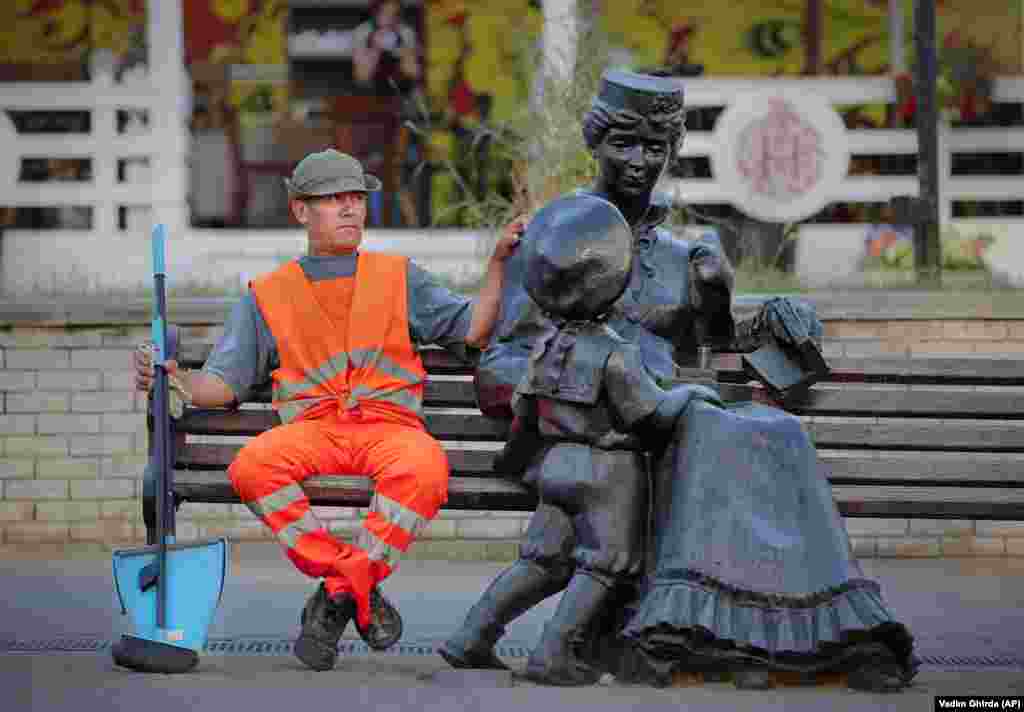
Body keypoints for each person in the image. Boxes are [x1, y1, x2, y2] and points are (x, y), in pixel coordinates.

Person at [441, 69, 916, 692]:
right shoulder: (559, 239)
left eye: (655, 147)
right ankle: (685, 633)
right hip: (600, 440)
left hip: (662, 422)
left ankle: (828, 633)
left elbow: (713, 345)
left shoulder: (679, 255)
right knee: (718, 432)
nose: (640, 161)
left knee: (779, 434)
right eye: (625, 143)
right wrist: (594, 389)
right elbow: (498, 369)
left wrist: (758, 314)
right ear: (597, 144)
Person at [134, 148, 521, 672]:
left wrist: (497, 263)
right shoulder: (266, 295)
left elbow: (473, 329)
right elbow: (222, 384)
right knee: (251, 467)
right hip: (311, 431)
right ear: (300, 211)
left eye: (356, 198)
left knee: (426, 469)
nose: (349, 209)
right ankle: (354, 584)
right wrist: (174, 378)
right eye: (333, 199)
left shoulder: (400, 277)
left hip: (391, 430)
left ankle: (334, 598)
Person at [489, 192, 726, 686]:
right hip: (606, 472)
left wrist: (514, 461)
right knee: (607, 562)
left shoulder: (544, 348)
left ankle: (471, 636)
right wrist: (693, 396)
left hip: (554, 467)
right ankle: (552, 653)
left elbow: (523, 413)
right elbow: (653, 414)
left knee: (538, 560)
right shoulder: (616, 355)